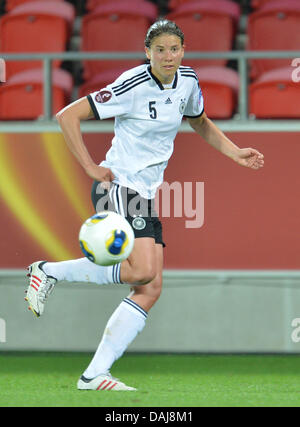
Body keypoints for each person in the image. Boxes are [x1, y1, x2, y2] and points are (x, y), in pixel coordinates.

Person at [25, 20, 264, 391]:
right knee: (141, 273)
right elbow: (67, 115)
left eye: (174, 49)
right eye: (160, 50)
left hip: (146, 193)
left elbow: (199, 121)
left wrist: (234, 154)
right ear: (147, 51)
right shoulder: (132, 84)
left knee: (150, 287)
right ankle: (49, 270)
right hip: (119, 185)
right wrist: (90, 165)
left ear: (183, 50)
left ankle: (93, 375)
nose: (168, 56)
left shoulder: (187, 80)